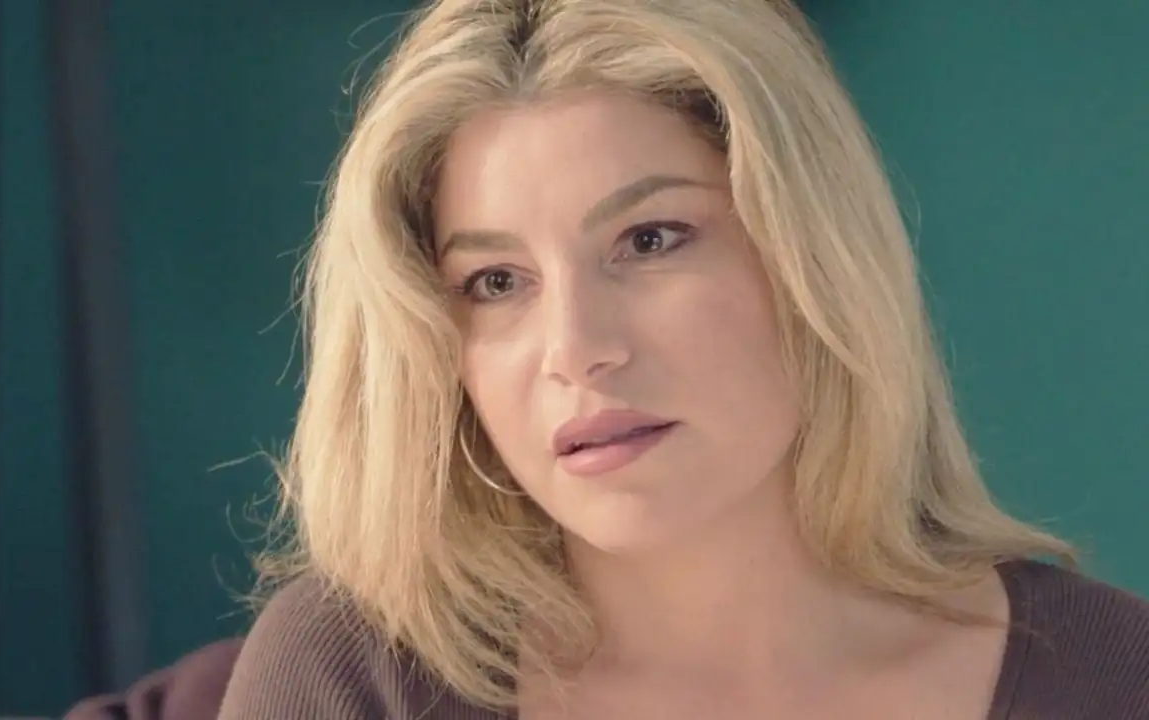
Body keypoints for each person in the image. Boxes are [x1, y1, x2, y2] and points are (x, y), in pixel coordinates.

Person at [218, 0, 1149, 717]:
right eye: (496, 282)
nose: (577, 351)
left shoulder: (1111, 677)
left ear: (809, 255)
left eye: (650, 240)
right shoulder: (357, 674)